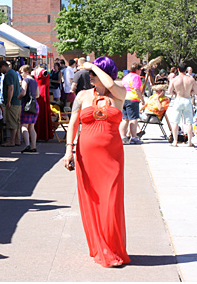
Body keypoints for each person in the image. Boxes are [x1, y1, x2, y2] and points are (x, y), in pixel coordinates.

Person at [63, 56, 130, 268]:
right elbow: (73, 124)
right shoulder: (82, 96)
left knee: (111, 201)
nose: (89, 76)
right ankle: (100, 246)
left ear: (105, 74)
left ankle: (113, 247)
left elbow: (110, 84)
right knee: (92, 201)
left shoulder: (119, 94)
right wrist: (68, 150)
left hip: (112, 156)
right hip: (86, 156)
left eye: (93, 73)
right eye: (89, 73)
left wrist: (93, 66)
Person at [167, 62, 197, 147]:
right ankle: (189, 142)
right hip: (187, 99)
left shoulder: (174, 80)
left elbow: (169, 91)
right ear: (186, 70)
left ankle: (175, 142)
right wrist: (189, 92)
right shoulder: (191, 79)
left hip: (178, 99)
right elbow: (196, 91)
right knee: (189, 122)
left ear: (178, 69)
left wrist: (175, 92)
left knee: (175, 122)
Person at [0, 60, 22, 147]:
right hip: (17, 101)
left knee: (12, 122)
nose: (0, 71)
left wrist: (8, 101)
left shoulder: (8, 74)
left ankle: (12, 141)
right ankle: (17, 140)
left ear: (3, 67)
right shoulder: (13, 73)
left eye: (0, 69)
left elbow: (10, 88)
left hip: (13, 102)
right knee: (16, 121)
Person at [119, 63, 144, 144]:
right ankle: (134, 137)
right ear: (137, 70)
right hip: (133, 99)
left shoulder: (125, 77)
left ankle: (123, 137)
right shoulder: (136, 77)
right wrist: (142, 99)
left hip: (124, 98)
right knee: (133, 119)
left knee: (125, 119)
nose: (141, 72)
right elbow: (137, 89)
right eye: (140, 70)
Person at [17, 65, 39, 153]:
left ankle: (27, 145)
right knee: (32, 127)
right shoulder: (34, 81)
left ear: (26, 72)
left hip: (26, 105)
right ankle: (34, 146)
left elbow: (23, 92)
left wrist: (18, 97)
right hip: (34, 105)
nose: (21, 74)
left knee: (24, 126)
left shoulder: (25, 80)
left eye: (21, 72)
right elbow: (37, 95)